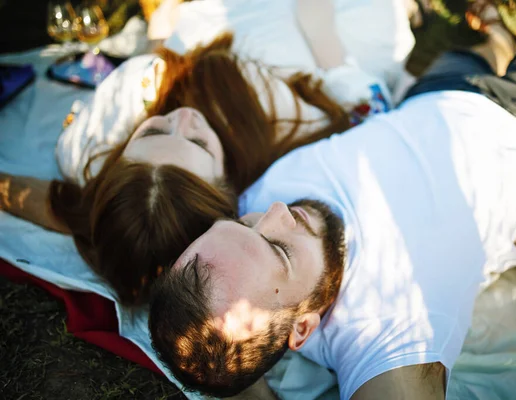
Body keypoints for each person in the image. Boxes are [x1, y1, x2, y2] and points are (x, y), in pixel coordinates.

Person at [148, 0, 516, 398]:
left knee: (470, 54)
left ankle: (495, 35)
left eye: (243, 223)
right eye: (279, 249)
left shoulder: (239, 258)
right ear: (302, 327)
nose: (277, 212)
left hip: (431, 96)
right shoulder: (379, 328)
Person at [0, 31, 363, 306]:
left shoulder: (89, 165)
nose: (183, 119)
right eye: (199, 144)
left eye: (155, 128)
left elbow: (48, 202)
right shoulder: (278, 144)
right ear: (227, 187)